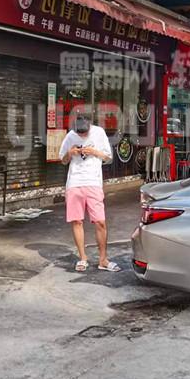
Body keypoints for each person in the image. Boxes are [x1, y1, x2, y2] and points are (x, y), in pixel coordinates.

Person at [59, 116, 120, 273]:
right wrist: (70, 153)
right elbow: (63, 160)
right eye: (79, 133)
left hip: (93, 182)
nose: (82, 136)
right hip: (74, 183)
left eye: (84, 133)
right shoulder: (70, 136)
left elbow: (108, 157)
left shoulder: (99, 133)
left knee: (100, 222)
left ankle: (103, 260)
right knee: (77, 221)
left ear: (90, 126)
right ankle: (83, 258)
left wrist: (94, 152)